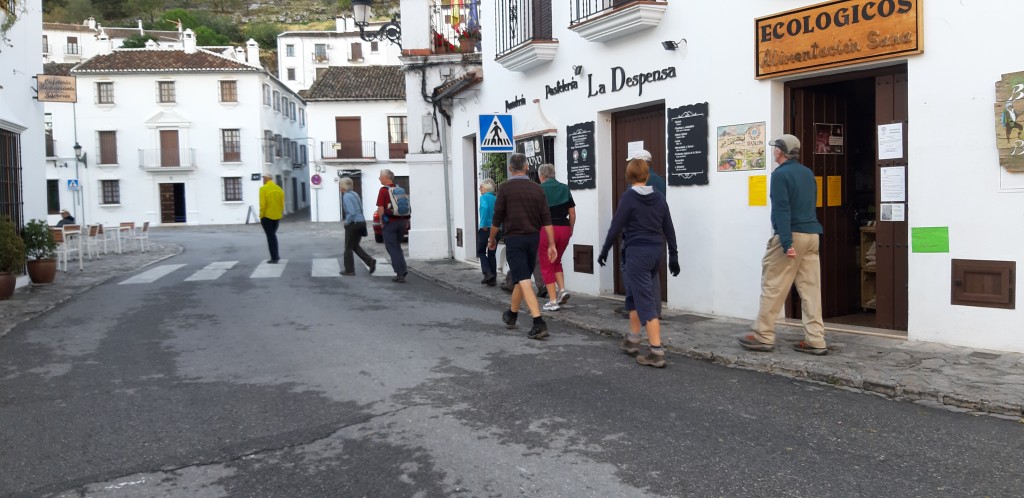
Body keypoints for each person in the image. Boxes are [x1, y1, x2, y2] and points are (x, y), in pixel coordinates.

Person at [738, 134, 828, 356]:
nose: (773, 152)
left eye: (774, 149)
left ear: (780, 152)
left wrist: (786, 242)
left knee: (773, 286)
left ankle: (763, 335)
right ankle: (816, 339)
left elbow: (782, 209)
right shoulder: (807, 173)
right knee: (811, 291)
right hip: (812, 235)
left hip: (792, 235)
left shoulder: (780, 175)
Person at [598, 159, 680, 368]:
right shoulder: (659, 198)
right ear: (647, 175)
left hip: (637, 254)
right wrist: (673, 256)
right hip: (655, 253)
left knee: (645, 302)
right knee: (634, 295)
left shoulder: (629, 197)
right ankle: (633, 340)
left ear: (629, 176)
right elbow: (669, 229)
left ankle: (656, 351)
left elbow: (616, 226)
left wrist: (605, 249)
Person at [488, 153, 557, 340]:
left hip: (515, 239)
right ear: (527, 167)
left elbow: (497, 217)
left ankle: (538, 322)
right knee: (521, 277)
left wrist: (491, 238)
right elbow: (546, 218)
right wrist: (551, 244)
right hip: (533, 238)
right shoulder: (537, 189)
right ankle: (512, 314)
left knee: (524, 279)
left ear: (510, 169)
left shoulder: (505, 188)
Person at [615, 149, 665, 320]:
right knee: (653, 273)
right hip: (655, 234)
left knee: (628, 268)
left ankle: (636, 305)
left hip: (635, 236)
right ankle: (655, 311)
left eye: (632, 161)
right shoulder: (660, 181)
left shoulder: (636, 182)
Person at [537, 163, 575, 311]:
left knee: (546, 264)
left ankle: (552, 301)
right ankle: (562, 290)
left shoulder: (539, 189)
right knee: (556, 260)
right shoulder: (565, 188)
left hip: (546, 230)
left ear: (541, 176)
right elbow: (572, 213)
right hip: (564, 228)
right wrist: (571, 229)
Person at [375, 169, 409, 283]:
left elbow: (381, 208)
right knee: (397, 246)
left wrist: (382, 221)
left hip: (390, 223)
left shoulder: (383, 190)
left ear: (386, 177)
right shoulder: (399, 189)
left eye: (380, 176)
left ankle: (400, 274)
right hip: (401, 222)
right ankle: (403, 269)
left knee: (392, 248)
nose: (379, 178)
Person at [339, 177, 376, 276]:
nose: (339, 187)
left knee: (348, 248)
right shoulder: (355, 194)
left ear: (343, 186)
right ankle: (370, 261)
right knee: (354, 246)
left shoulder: (346, 196)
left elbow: (351, 212)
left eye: (340, 185)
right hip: (361, 222)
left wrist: (347, 222)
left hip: (353, 224)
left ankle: (349, 270)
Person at [259, 173, 284, 263]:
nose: (263, 180)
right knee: (272, 236)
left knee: (270, 237)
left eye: (263, 178)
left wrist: (261, 215)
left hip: (267, 216)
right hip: (277, 216)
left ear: (266, 178)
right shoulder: (279, 189)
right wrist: (280, 213)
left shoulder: (263, 189)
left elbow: (262, 204)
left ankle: (275, 257)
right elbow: (282, 204)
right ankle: (275, 256)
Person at [477, 178, 498, 286]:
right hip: (496, 228)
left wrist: (483, 224)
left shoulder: (483, 197)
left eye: (481, 187)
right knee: (492, 253)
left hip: (486, 228)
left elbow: (484, 208)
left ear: (486, 188)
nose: (479, 189)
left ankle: (487, 272)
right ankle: (493, 278)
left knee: (481, 251)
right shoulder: (495, 198)